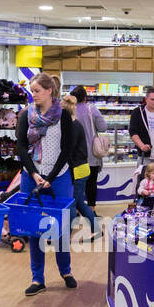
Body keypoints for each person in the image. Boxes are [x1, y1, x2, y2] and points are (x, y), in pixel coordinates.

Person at [16, 72, 76, 295]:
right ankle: (37, 278)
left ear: (50, 91)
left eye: (37, 91)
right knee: (34, 228)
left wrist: (50, 177)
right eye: (32, 91)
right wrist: (34, 174)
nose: (34, 95)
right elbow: (21, 147)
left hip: (58, 177)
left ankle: (66, 271)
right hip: (31, 176)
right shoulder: (25, 115)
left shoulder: (64, 116)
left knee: (60, 227)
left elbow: (67, 148)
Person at [63, 93, 99, 239]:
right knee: (79, 203)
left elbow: (69, 151)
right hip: (82, 168)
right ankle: (95, 230)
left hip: (77, 170)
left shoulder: (72, 126)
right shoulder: (75, 124)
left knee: (72, 204)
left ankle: (67, 235)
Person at [70, 85, 108, 211]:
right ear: (85, 97)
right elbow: (103, 127)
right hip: (91, 153)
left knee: (76, 184)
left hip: (75, 155)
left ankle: (75, 209)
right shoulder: (92, 109)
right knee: (91, 183)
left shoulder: (69, 110)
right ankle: (91, 208)